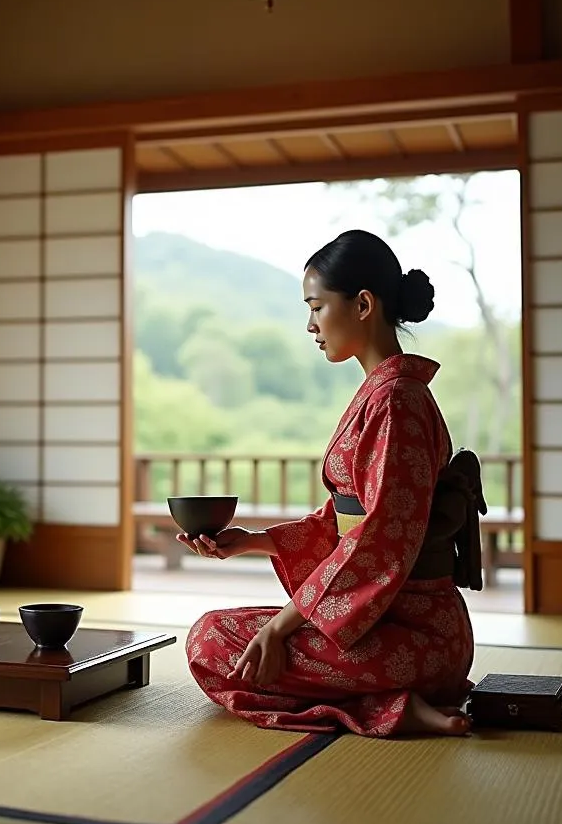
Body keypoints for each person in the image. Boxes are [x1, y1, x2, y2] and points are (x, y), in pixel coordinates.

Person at [182, 230, 476, 738]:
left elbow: (377, 539)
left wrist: (280, 625)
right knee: (226, 639)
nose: (310, 324)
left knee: (213, 641)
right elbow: (345, 519)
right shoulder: (384, 395)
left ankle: (393, 707)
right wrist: (254, 543)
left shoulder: (396, 402)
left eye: (316, 306)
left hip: (416, 634)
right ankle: (399, 703)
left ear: (363, 304)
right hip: (390, 627)